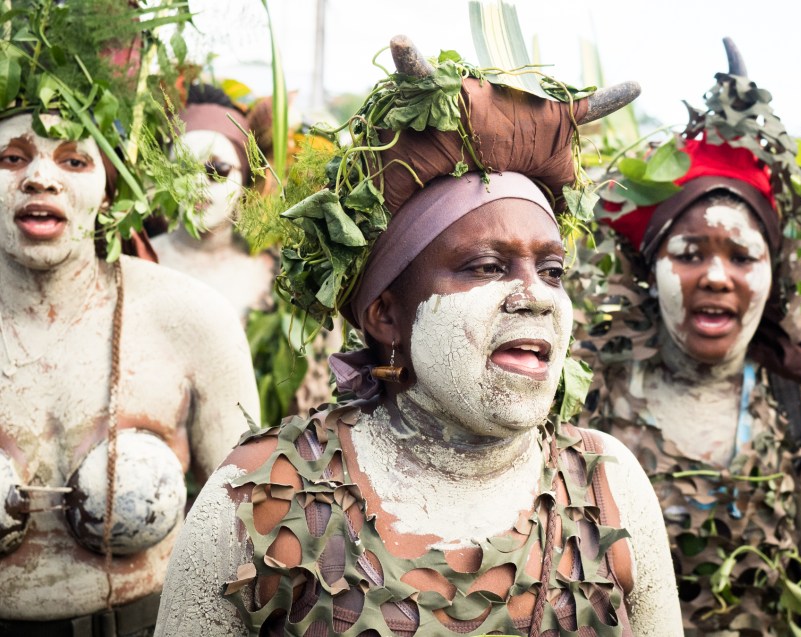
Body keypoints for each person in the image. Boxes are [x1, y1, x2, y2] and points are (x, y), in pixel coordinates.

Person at [155, 35, 683, 636]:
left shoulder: (607, 487)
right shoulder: (262, 498)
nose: (534, 294)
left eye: (553, 270)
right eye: (487, 266)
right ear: (385, 315)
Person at [0, 3, 260, 635]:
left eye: (74, 160)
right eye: (12, 158)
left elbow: (250, 528)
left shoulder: (188, 319)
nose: (40, 177)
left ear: (111, 189)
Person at [581, 39, 801, 636]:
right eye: (690, 253)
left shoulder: (800, 400)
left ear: (772, 274)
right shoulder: (589, 389)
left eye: (742, 256)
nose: (716, 277)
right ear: (651, 269)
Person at [152, 83, 278, 324]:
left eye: (217, 170)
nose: (197, 183)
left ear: (245, 180)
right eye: (182, 170)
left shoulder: (273, 274)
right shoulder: (138, 258)